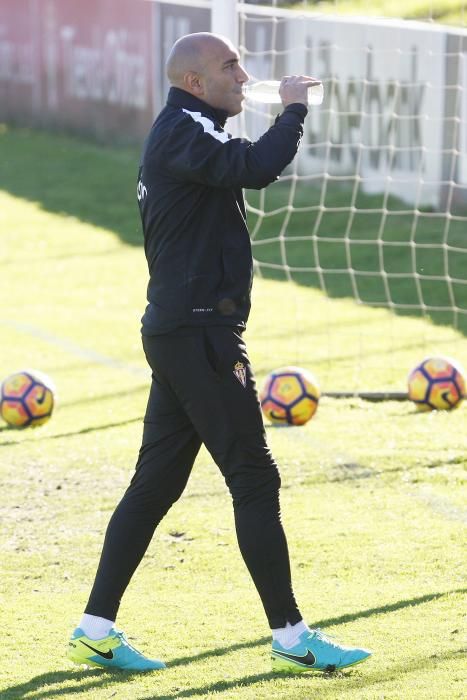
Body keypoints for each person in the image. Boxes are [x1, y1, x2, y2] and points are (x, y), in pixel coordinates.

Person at [67, 32, 371, 674]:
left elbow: (238, 163)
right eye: (230, 65)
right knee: (253, 477)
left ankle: (94, 626)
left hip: (186, 331)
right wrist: (292, 108)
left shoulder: (192, 126)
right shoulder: (181, 130)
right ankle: (292, 638)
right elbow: (256, 170)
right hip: (199, 334)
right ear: (195, 80)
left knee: (157, 483)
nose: (243, 74)